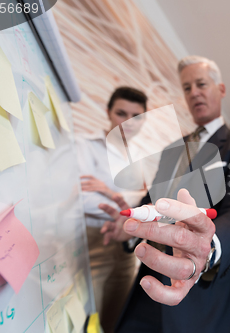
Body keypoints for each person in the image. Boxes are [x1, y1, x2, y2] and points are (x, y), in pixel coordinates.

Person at [101, 56, 230, 333]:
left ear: (221, 89)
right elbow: (152, 201)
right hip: (151, 282)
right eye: (187, 88)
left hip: (205, 290)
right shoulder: (173, 149)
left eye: (201, 84)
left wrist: (207, 247)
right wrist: (128, 227)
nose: (194, 92)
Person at [75, 87, 147, 333]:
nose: (128, 123)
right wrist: (125, 204)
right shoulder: (86, 146)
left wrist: (112, 194)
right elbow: (80, 197)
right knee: (86, 323)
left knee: (117, 320)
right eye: (120, 113)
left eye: (135, 117)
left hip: (127, 249)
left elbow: (142, 202)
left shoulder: (138, 158)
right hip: (96, 245)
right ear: (108, 112)